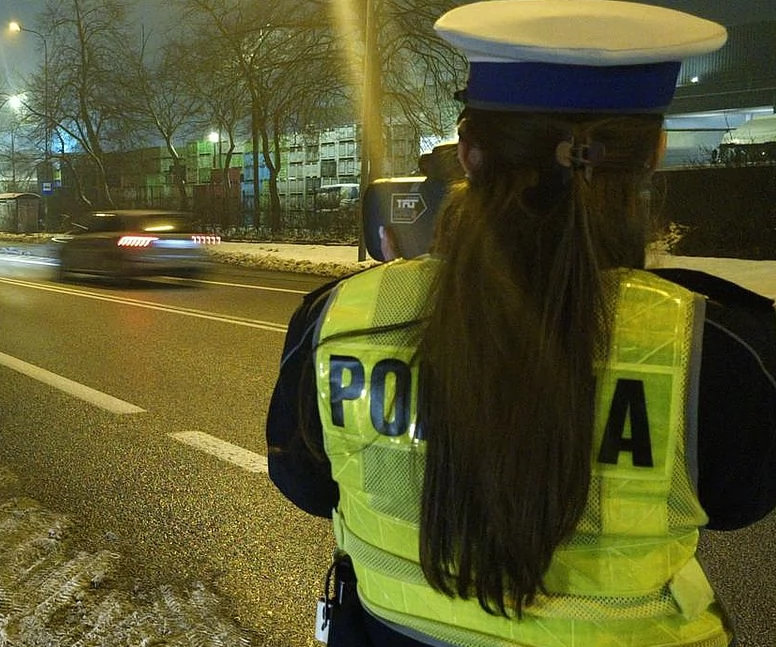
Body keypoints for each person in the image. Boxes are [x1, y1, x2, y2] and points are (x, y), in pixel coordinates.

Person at [265, 1, 776, 645]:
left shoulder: (340, 317)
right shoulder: (717, 346)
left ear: (469, 153)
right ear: (654, 153)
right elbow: (740, 500)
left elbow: (304, 484)